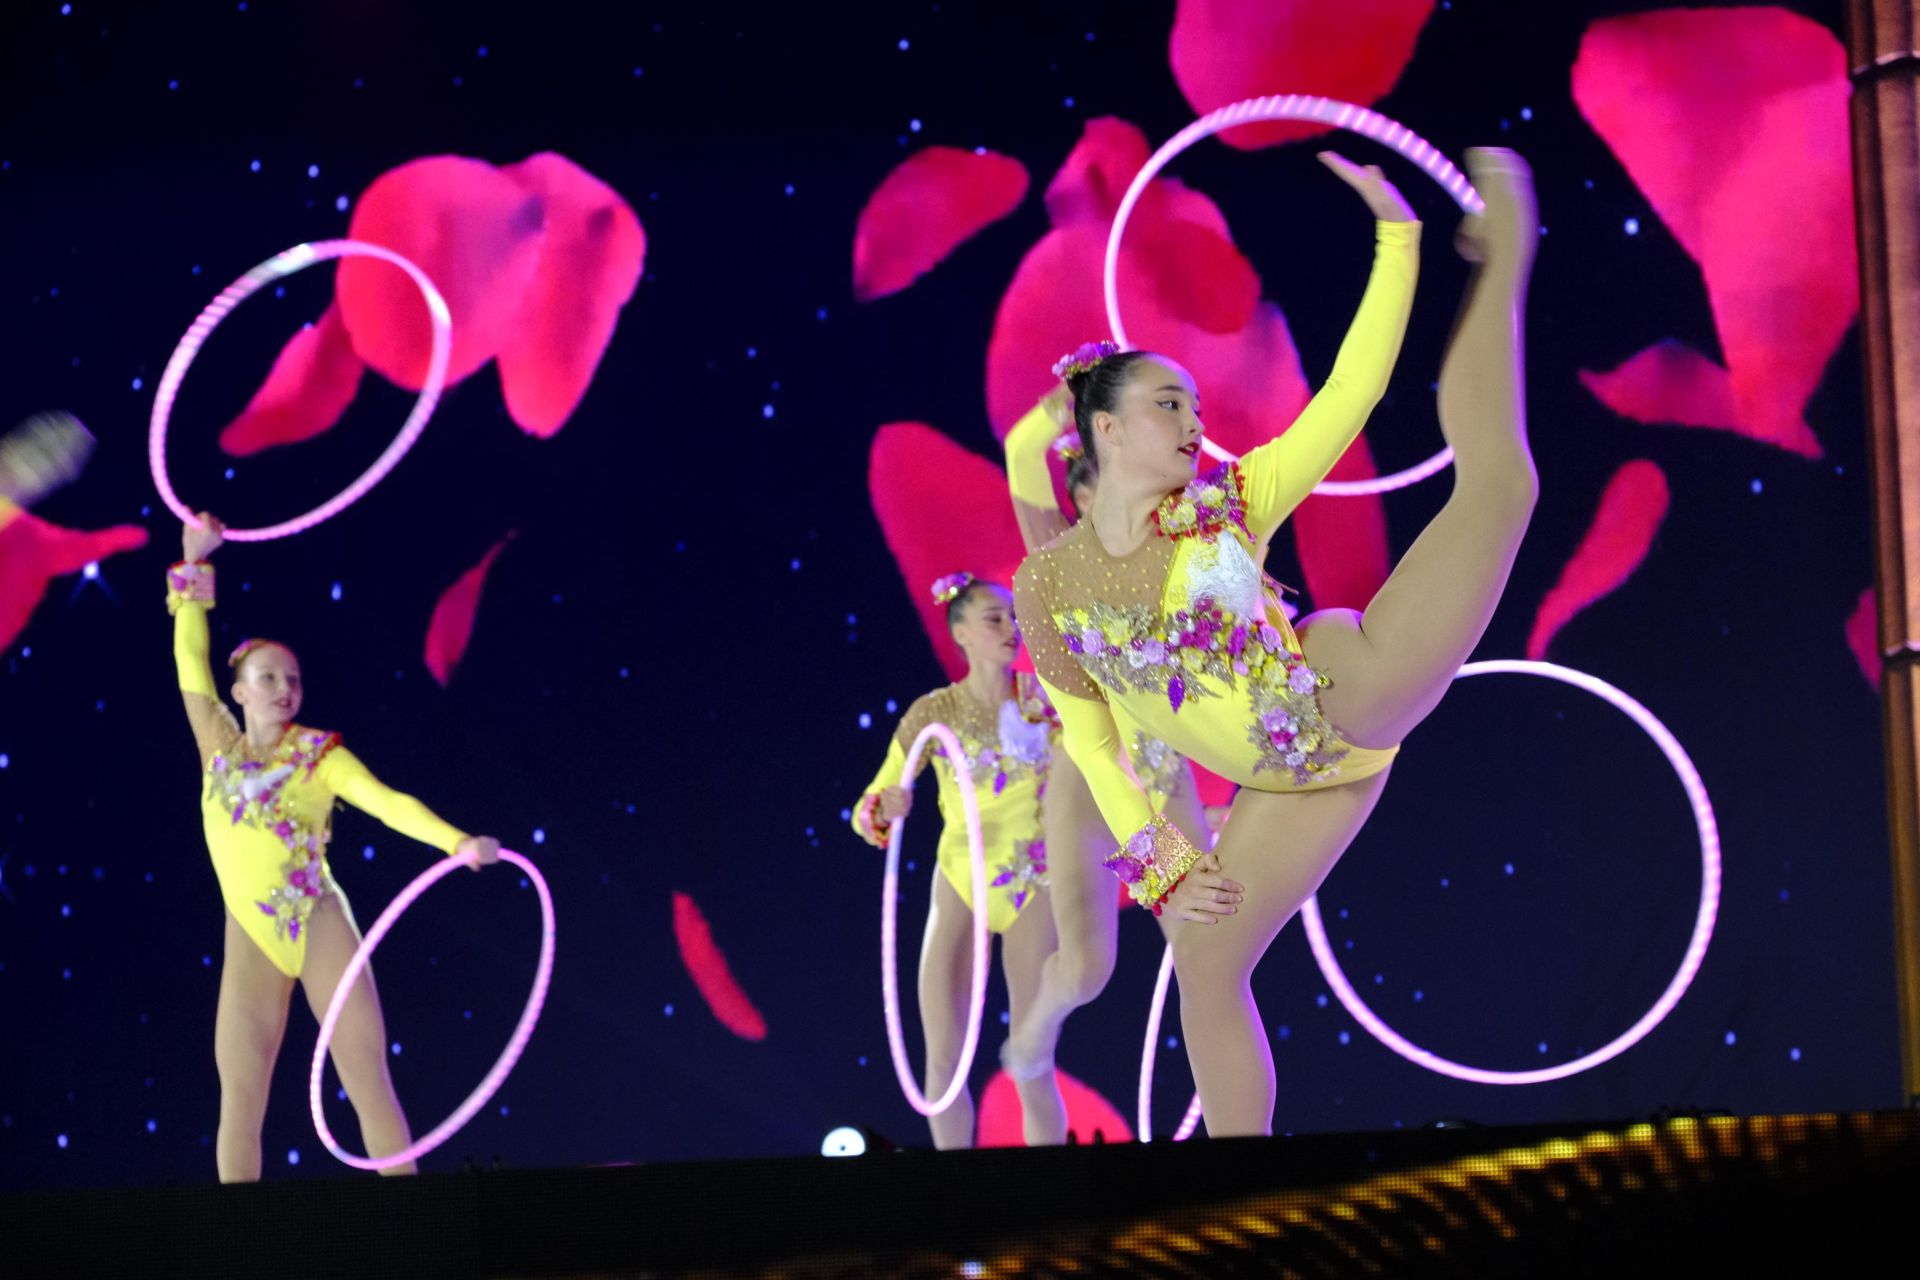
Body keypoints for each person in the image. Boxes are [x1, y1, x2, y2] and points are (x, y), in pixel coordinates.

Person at [1013, 148, 1538, 1135]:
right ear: (1105, 431)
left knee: (1503, 488)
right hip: (1297, 781)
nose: (1192, 417)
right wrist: (1162, 855)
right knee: (1206, 962)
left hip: (1352, 689)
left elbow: (1351, 391)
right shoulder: (1051, 585)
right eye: (1168, 401)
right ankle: (1240, 1196)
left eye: (1195, 405)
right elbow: (1090, 742)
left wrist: (1398, 236)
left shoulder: (1228, 506)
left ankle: (1504, 247)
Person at [169, 512, 502, 1180]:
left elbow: (387, 802)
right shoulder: (217, 747)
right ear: (238, 692)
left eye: (293, 679)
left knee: (367, 1082)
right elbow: (188, 654)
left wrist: (456, 843)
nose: (286, 689)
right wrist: (193, 559)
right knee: (241, 1102)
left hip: (319, 925)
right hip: (251, 940)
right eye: (269, 678)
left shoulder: (320, 756)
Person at [852, 573, 1066, 1146]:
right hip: (961, 882)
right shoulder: (933, 712)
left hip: (1031, 883)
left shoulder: (1046, 700)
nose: (1009, 629)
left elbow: (1113, 772)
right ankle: (960, 1204)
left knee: (1031, 1058)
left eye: (1013, 617)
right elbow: (867, 805)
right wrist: (886, 804)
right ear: (962, 632)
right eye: (994, 618)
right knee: (942, 1061)